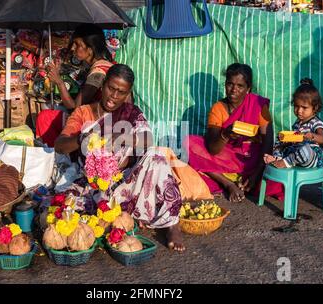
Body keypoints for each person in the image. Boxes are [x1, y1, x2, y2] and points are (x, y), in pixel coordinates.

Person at [55, 64, 185, 252]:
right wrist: (82, 137)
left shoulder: (131, 113)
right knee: (65, 214)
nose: (114, 96)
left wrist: (122, 137)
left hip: (125, 183)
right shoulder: (84, 112)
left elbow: (147, 140)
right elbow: (60, 145)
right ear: (103, 85)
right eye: (111, 88)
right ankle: (126, 216)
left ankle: (171, 224)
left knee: (157, 155)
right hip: (94, 186)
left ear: (127, 94)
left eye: (121, 92)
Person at [185, 63, 283, 203]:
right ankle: (228, 184)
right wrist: (225, 135)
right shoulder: (218, 109)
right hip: (226, 158)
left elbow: (268, 143)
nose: (233, 90)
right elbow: (213, 149)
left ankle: (245, 182)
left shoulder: (259, 105)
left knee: (277, 181)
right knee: (188, 143)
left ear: (248, 88)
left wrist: (256, 173)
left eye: (240, 86)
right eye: (230, 84)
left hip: (252, 160)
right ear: (225, 84)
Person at [36, 24, 114, 147]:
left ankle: (56, 157)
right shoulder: (104, 65)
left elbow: (75, 108)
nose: (73, 48)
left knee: (45, 117)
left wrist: (59, 82)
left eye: (77, 44)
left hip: (95, 126)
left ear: (90, 49)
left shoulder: (97, 73)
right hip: (99, 120)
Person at [264, 78, 323, 168]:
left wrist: (313, 136)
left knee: (304, 150)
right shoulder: (297, 123)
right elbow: (295, 141)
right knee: (279, 142)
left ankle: (286, 162)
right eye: (296, 106)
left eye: (304, 107)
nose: (299, 111)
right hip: (295, 154)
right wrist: (287, 141)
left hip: (310, 157)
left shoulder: (316, 122)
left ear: (315, 108)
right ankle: (278, 158)